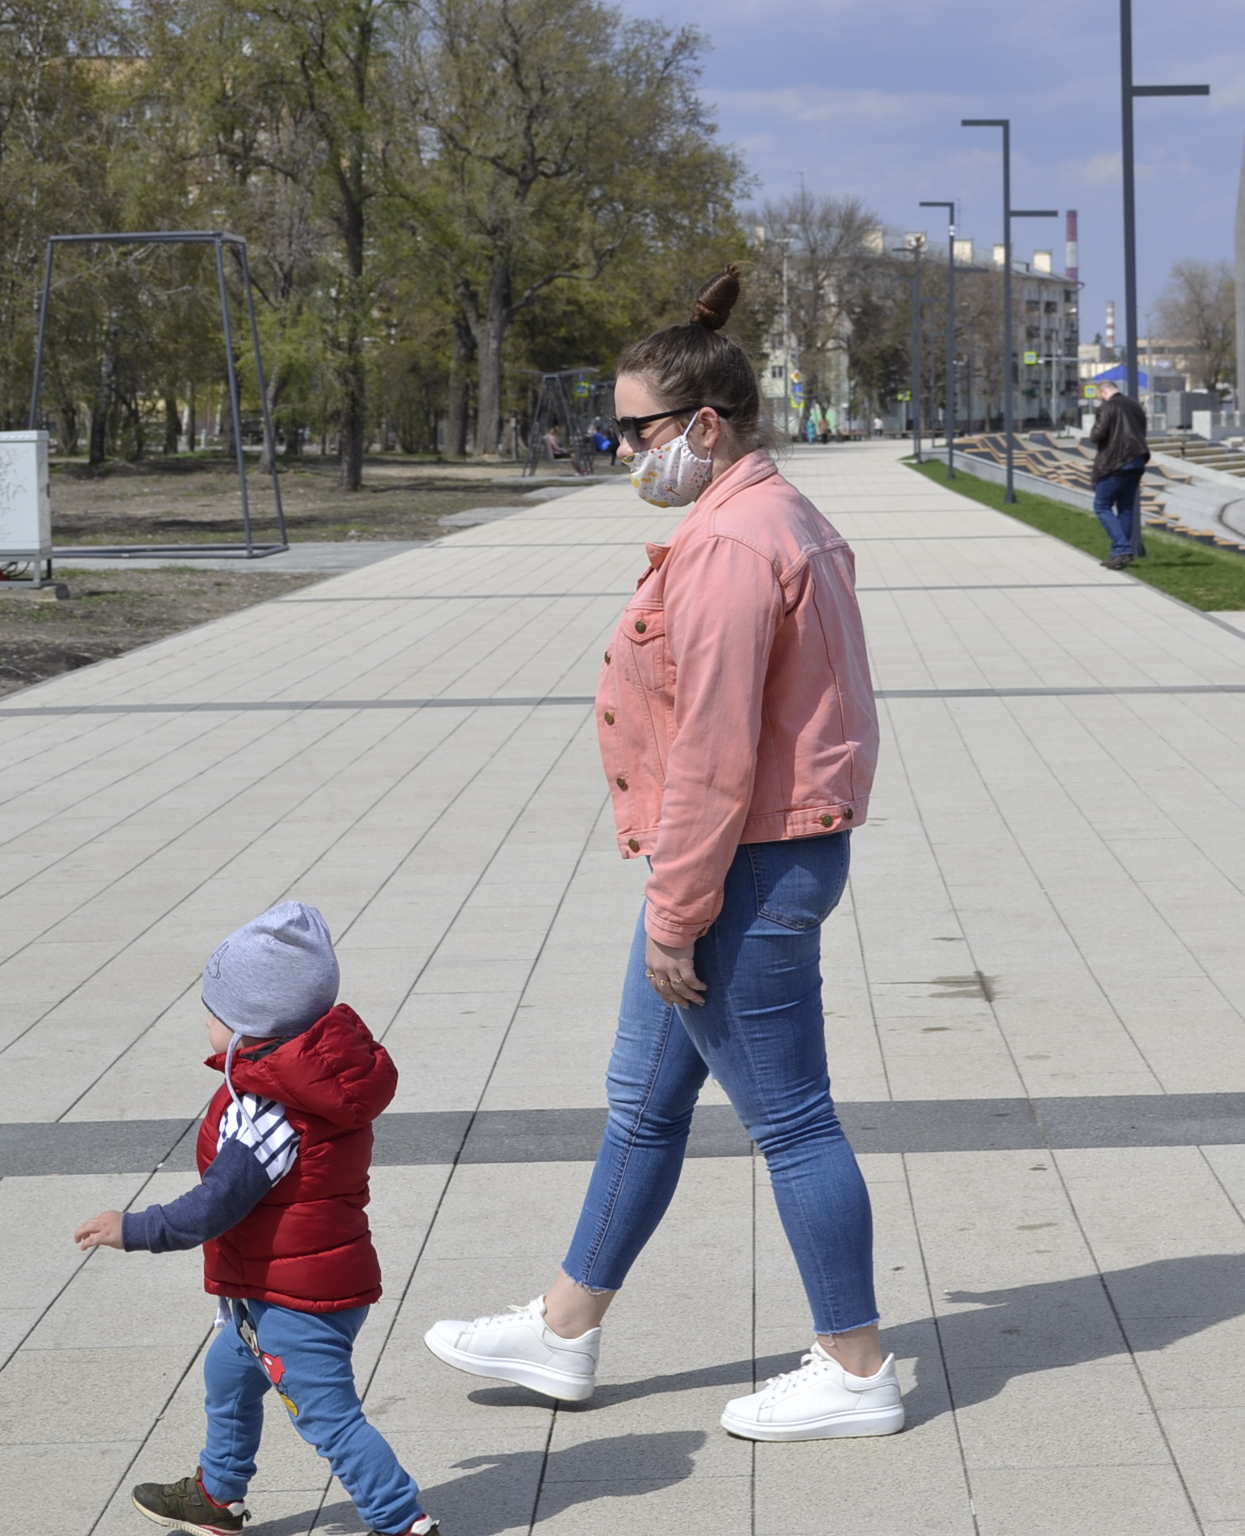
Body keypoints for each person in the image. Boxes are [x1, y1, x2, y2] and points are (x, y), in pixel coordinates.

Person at [423, 264, 901, 1444]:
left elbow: (715, 754)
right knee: (643, 1104)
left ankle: (856, 1370)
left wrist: (678, 912)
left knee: (793, 1121)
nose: (623, 449)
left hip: (743, 870)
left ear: (705, 425)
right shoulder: (773, 515)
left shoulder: (733, 544)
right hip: (749, 860)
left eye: (637, 430)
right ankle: (564, 1329)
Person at [74, 903, 439, 1536]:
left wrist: (134, 1229)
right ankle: (217, 1496)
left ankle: (402, 1521)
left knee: (329, 1418)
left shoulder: (268, 1112)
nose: (206, 1022)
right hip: (285, 1284)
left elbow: (217, 1203)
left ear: (251, 1025)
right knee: (229, 1375)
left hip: (296, 1300)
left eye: (214, 1012)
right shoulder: (308, 1080)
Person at [1088, 380, 1150, 571]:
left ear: (1104, 392)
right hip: (1137, 461)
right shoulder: (1135, 406)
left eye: (1100, 396)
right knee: (1126, 508)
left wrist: (1093, 431)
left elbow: (1098, 434)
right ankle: (1119, 555)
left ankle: (1122, 548)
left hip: (1115, 463)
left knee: (1101, 505)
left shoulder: (1108, 406)